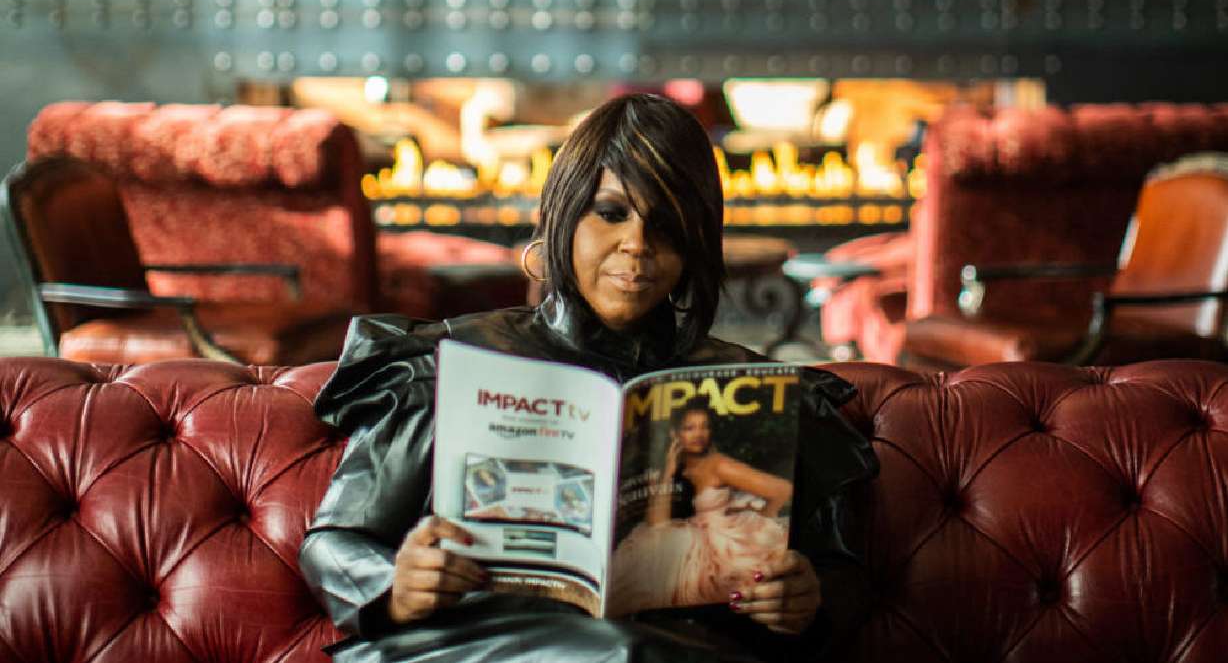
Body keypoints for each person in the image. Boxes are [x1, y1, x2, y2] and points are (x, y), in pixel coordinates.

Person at [299, 93, 879, 663]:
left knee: (635, 651)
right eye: (610, 213)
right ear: (562, 216)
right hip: (479, 639)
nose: (637, 245)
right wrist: (396, 584)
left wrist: (806, 598)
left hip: (683, 647)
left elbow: (841, 572)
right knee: (625, 653)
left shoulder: (758, 393)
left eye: (668, 225)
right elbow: (332, 543)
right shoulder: (448, 363)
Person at [609, 400, 794, 613]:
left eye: (704, 426)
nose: (699, 433)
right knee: (649, 547)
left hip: (722, 542)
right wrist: (668, 472)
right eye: (690, 428)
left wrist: (764, 518)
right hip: (687, 542)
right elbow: (656, 525)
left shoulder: (718, 464)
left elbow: (782, 489)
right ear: (674, 434)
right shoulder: (670, 468)